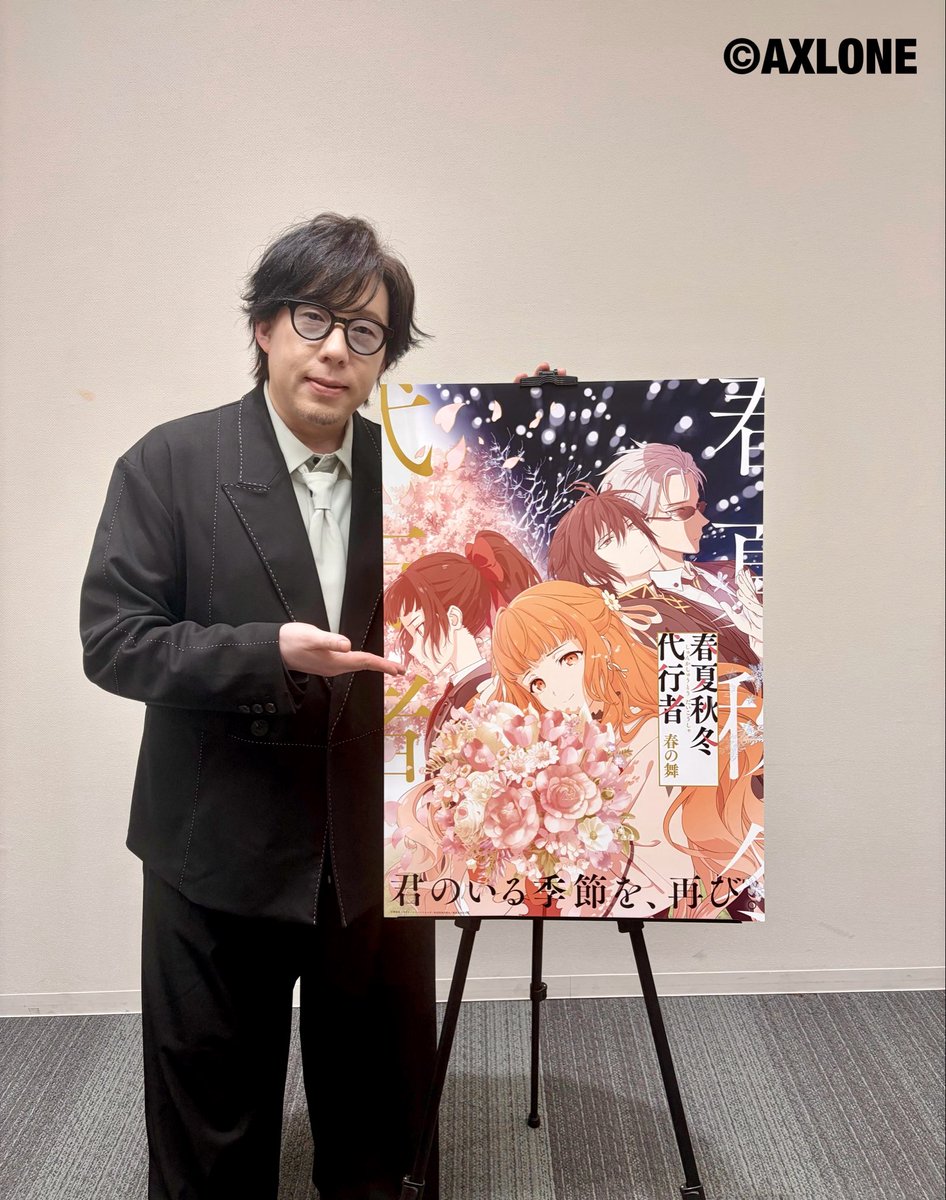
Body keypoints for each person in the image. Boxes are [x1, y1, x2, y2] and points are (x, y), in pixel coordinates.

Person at [79, 214, 439, 1200]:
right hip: (216, 845)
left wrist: (536, 427)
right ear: (266, 327)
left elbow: (507, 590)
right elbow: (115, 639)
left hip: (375, 852)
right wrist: (261, 653)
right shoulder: (170, 463)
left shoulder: (421, 479)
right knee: (211, 1130)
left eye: (365, 332)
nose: (336, 349)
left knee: (377, 1127)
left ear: (384, 358)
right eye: (313, 318)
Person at [491, 581, 764, 919]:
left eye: (568, 658)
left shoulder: (684, 686)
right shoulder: (572, 751)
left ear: (606, 640)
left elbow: (679, 861)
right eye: (537, 683)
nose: (558, 693)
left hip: (692, 901)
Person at [600, 442, 763, 657]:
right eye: (681, 511)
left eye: (698, 507)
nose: (703, 520)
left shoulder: (734, 573)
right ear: (632, 521)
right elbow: (695, 680)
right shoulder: (643, 615)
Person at [384, 530, 540, 754]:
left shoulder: (488, 696)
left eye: (418, 628)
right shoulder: (459, 692)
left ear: (454, 618)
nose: (412, 647)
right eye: (409, 634)